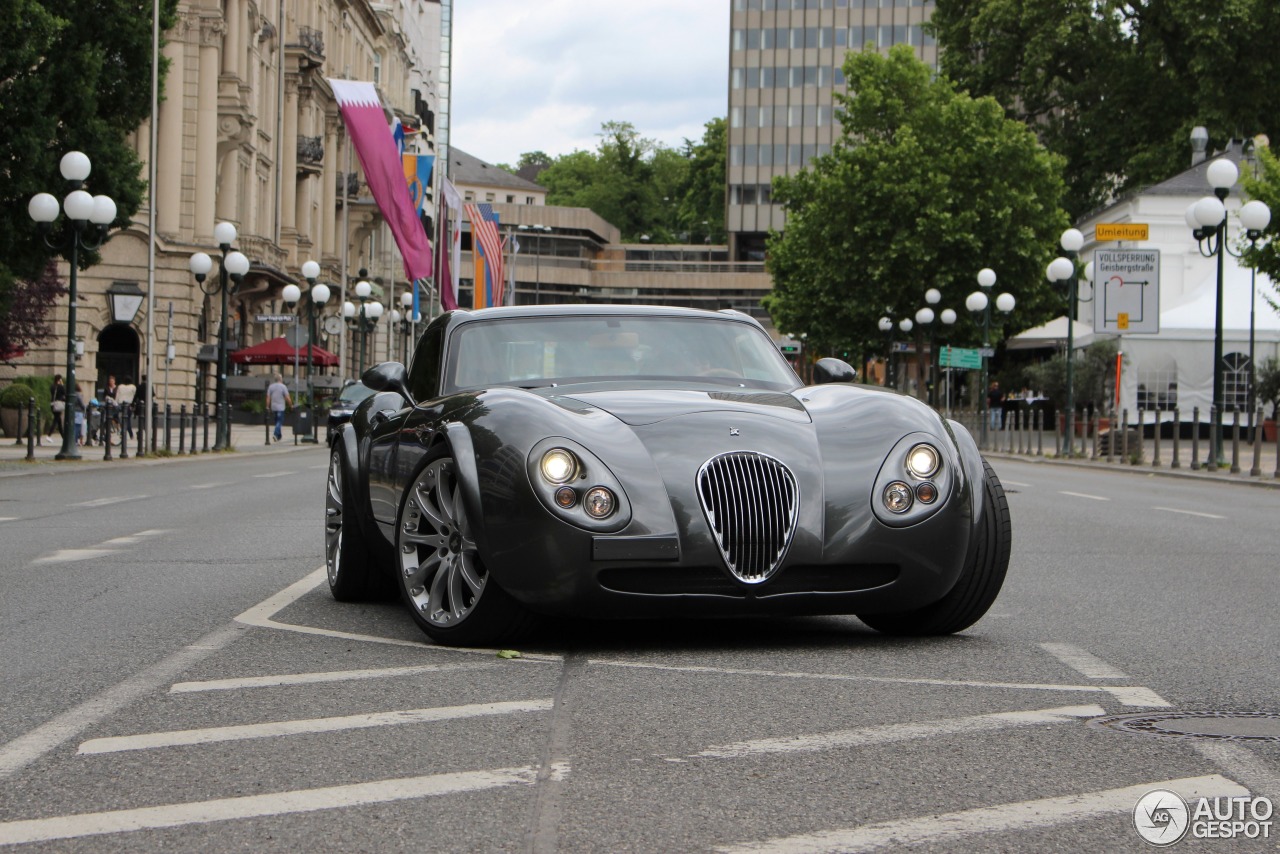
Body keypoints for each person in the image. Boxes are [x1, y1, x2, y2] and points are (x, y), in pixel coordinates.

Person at [265, 373, 292, 443]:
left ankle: (279, 436)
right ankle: (275, 434)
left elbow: (268, 397)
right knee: (279, 422)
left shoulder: (271, 387)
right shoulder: (283, 387)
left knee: (277, 421)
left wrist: (267, 407)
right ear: (280, 379)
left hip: (273, 407)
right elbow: (287, 397)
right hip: (281, 407)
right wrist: (291, 405)